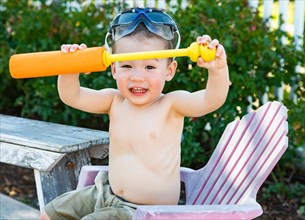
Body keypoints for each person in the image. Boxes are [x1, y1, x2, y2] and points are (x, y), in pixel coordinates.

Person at [40, 7, 229, 220]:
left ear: (169, 70)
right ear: (114, 69)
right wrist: (69, 70)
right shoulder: (114, 101)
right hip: (104, 192)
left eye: (149, 67)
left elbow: (212, 99)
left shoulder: (171, 105)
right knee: (49, 214)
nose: (137, 77)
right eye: (127, 65)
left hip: (144, 212)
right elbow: (72, 96)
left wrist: (217, 70)